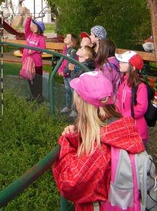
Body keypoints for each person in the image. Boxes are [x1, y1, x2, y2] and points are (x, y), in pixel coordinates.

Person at [52, 70, 144, 210]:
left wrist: (66, 144)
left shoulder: (99, 146)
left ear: (82, 103)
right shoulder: (120, 128)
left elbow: (70, 184)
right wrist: (77, 136)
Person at [116, 50, 149, 143]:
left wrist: (125, 115)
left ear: (133, 67)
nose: (120, 63)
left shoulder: (140, 86)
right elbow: (118, 98)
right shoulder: (123, 82)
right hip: (124, 126)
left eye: (123, 62)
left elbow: (141, 108)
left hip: (137, 129)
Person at [22, 15, 46, 102]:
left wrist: (32, 51)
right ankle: (33, 94)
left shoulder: (41, 38)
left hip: (36, 64)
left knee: (37, 80)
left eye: (35, 25)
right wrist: (29, 19)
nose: (33, 26)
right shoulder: (29, 34)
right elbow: (26, 27)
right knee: (29, 79)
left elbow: (42, 49)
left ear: (38, 29)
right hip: (27, 62)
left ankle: (39, 96)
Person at [59, 33, 79, 114]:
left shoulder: (73, 51)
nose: (65, 38)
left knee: (73, 92)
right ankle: (68, 106)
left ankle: (75, 110)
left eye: (68, 37)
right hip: (65, 75)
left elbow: (70, 63)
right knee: (67, 91)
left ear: (72, 42)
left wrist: (64, 72)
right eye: (66, 36)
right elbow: (62, 61)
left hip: (71, 75)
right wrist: (60, 70)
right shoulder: (65, 49)